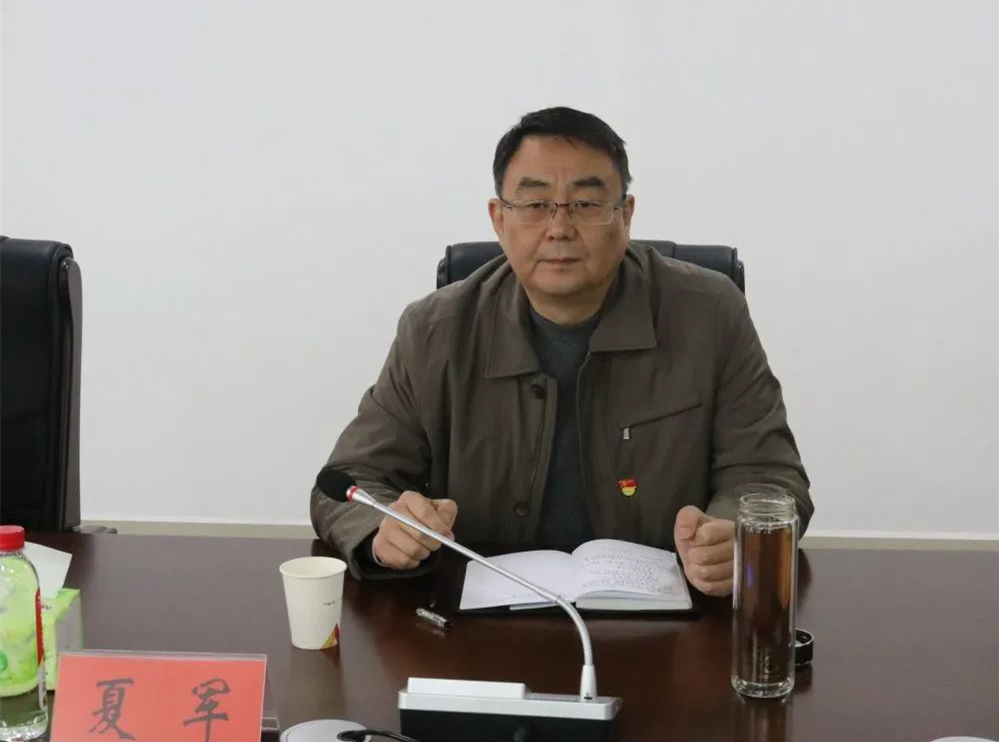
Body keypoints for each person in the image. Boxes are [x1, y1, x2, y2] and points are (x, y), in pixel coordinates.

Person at [311, 106, 813, 597]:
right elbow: (350, 480)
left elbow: (767, 474)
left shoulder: (710, 314)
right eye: (535, 204)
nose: (559, 227)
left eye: (587, 204)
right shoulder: (434, 331)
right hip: (476, 620)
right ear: (499, 219)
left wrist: (734, 534)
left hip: (665, 615)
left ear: (625, 215)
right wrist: (384, 531)